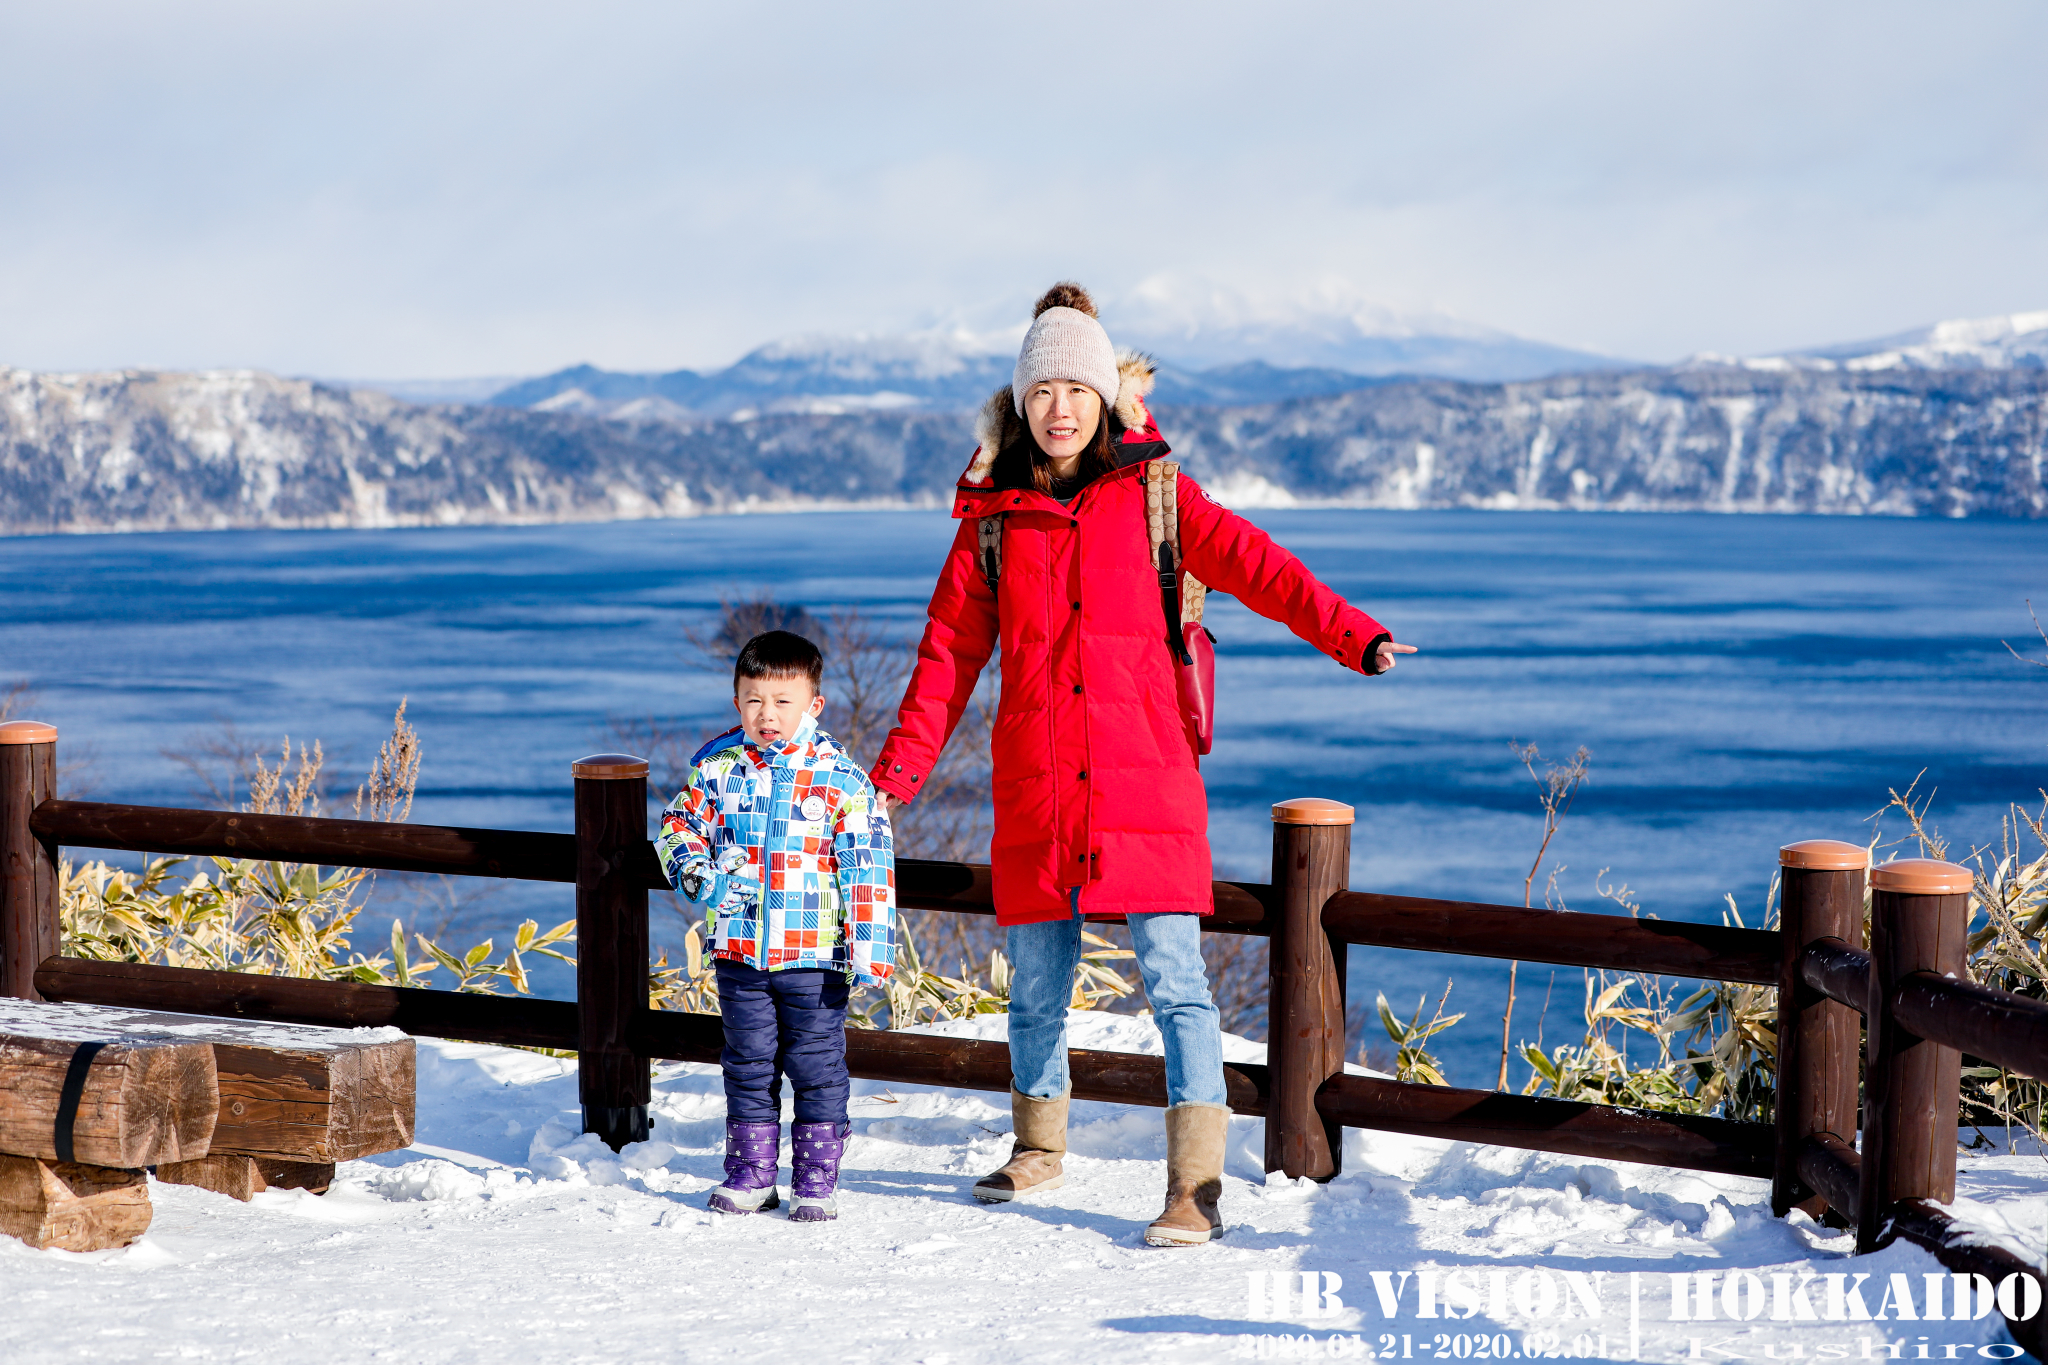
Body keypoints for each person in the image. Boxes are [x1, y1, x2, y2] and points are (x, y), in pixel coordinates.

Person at [871, 282, 1414, 1247]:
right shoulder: (993, 519)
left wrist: (1355, 635)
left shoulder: (1159, 494)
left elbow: (1262, 566)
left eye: (1077, 387)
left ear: (1107, 395)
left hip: (1146, 781)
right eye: (1043, 393)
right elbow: (946, 656)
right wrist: (893, 782)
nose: (1061, 408)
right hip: (1039, 786)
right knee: (1035, 983)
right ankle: (1037, 1143)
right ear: (1020, 404)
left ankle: (1194, 1185)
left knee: (1176, 980)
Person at [656, 630, 897, 1222]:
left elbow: (868, 869)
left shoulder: (842, 781)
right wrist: (701, 878)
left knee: (815, 1064)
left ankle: (816, 1179)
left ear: (813, 705)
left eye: (783, 701)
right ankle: (751, 1175)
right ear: (737, 702)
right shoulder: (717, 771)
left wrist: (870, 950)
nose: (768, 714)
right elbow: (675, 832)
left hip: (815, 955)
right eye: (754, 700)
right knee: (748, 1061)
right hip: (740, 950)